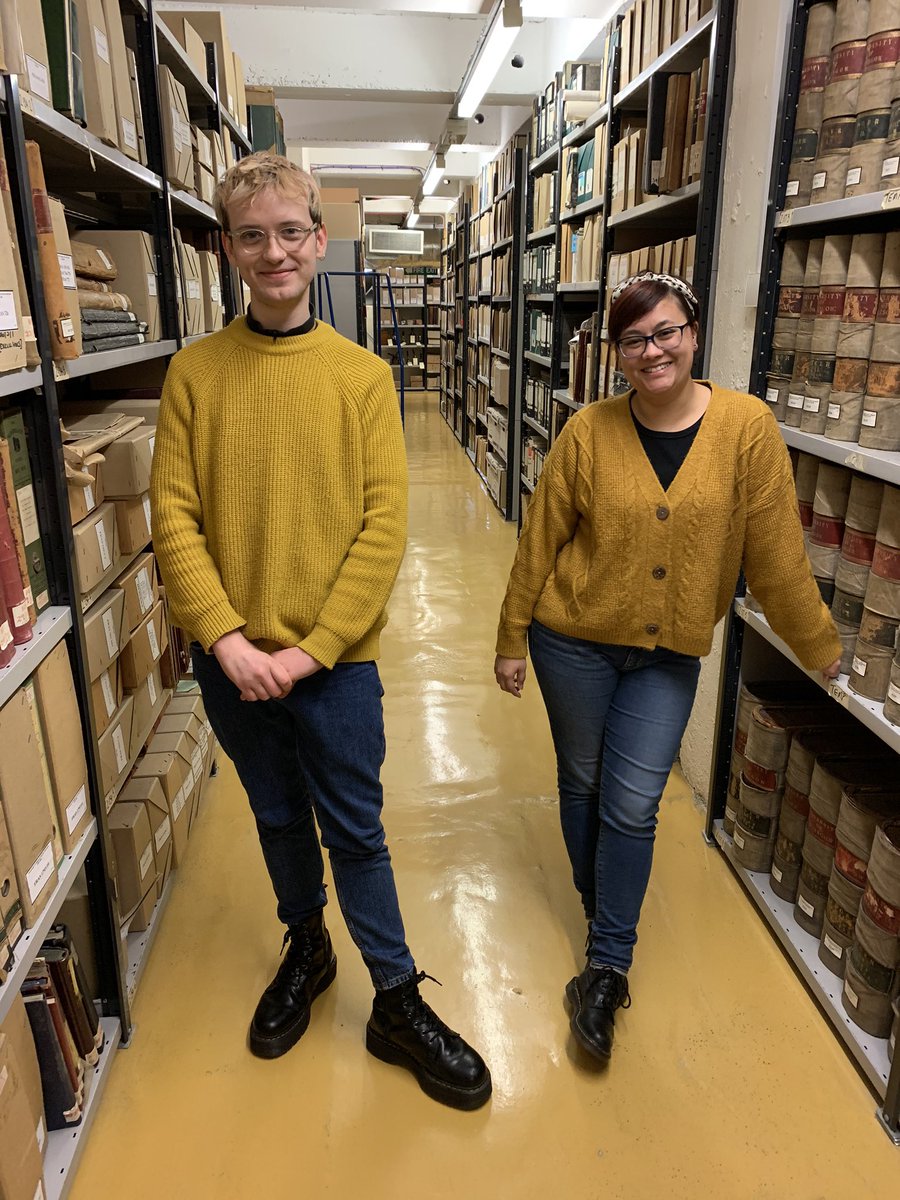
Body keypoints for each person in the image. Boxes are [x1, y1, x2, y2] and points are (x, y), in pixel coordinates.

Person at [151, 153, 490, 1111]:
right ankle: (307, 948)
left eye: (290, 231)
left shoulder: (363, 379)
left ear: (318, 240)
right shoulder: (193, 375)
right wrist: (226, 640)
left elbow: (385, 526)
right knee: (272, 814)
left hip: (335, 667)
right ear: (228, 249)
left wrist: (309, 650)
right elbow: (173, 517)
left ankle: (393, 995)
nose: (273, 251)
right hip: (232, 663)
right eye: (252, 235)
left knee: (358, 830)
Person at [494, 272, 841, 1063]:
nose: (653, 351)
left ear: (692, 331)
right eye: (634, 339)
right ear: (614, 353)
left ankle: (607, 964)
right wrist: (511, 638)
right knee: (582, 784)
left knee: (633, 803)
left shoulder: (747, 430)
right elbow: (539, 540)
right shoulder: (587, 432)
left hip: (668, 654)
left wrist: (820, 647)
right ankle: (601, 917)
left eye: (666, 332)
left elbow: (779, 558)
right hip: (571, 642)